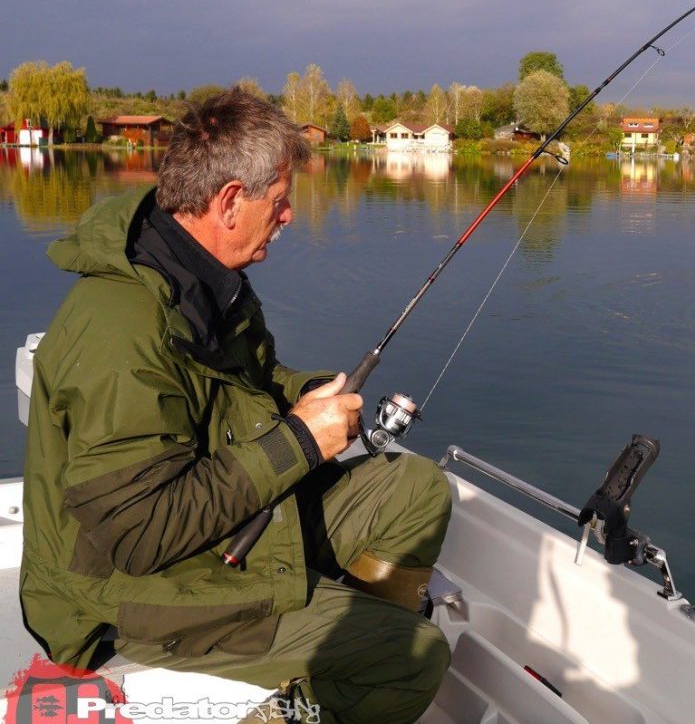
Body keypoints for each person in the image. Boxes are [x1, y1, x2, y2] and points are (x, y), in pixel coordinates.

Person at [20, 88, 452, 723]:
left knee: (417, 486)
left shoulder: (203, 279)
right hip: (123, 595)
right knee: (412, 656)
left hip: (211, 529)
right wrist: (301, 442)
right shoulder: (119, 330)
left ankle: (328, 636)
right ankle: (308, 685)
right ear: (228, 202)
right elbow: (140, 536)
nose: (288, 217)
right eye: (278, 203)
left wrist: (303, 395)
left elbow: (247, 384)